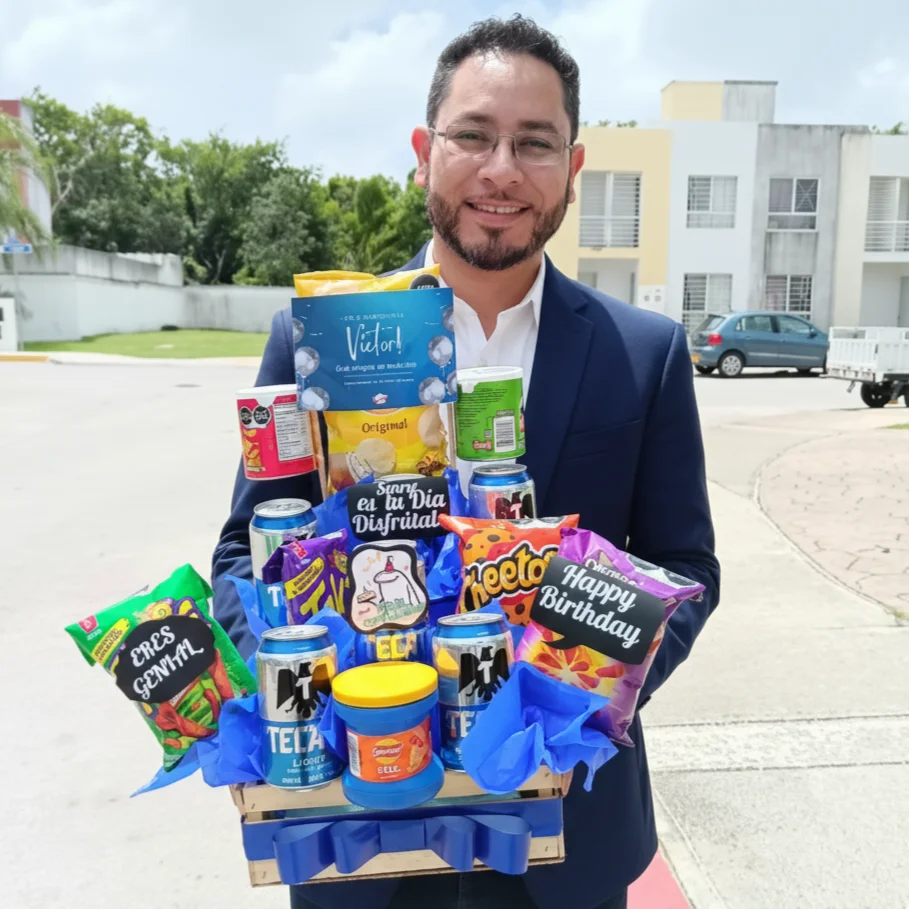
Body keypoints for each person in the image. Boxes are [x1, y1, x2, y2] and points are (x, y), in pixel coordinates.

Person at [212, 14, 720, 909]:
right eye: (473, 135)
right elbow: (240, 557)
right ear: (423, 150)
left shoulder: (643, 352)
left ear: (572, 166)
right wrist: (311, 701)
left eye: (535, 143)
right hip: (356, 830)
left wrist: (582, 698)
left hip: (569, 837)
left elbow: (684, 567)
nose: (500, 171)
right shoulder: (317, 340)